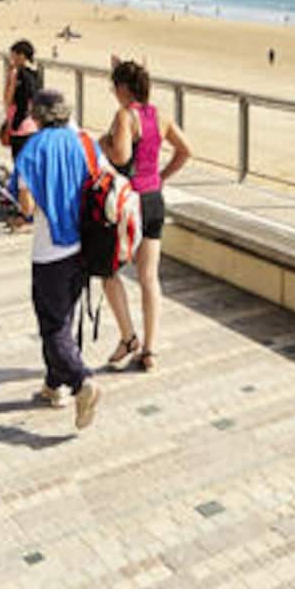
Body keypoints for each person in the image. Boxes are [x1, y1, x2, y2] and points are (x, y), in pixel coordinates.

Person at [10, 89, 103, 430]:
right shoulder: (84, 142)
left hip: (49, 251)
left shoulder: (33, 149)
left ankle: (81, 381)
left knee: (52, 325)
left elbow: (27, 206)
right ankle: (55, 384)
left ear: (37, 115)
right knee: (65, 317)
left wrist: (21, 216)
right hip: (82, 246)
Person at [100, 58, 192, 374]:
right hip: (154, 199)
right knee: (149, 278)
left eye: (114, 86)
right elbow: (186, 150)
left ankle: (128, 337)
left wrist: (104, 143)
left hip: (130, 203)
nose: (113, 92)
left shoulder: (126, 116)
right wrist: (162, 176)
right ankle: (150, 350)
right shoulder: (160, 116)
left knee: (108, 270)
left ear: (124, 88)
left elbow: (121, 156)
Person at [2, 40, 42, 155]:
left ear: (21, 56)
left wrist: (10, 78)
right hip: (33, 124)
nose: (11, 59)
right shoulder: (36, 74)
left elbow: (7, 99)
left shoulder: (17, 73)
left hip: (19, 124)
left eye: (13, 56)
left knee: (19, 161)